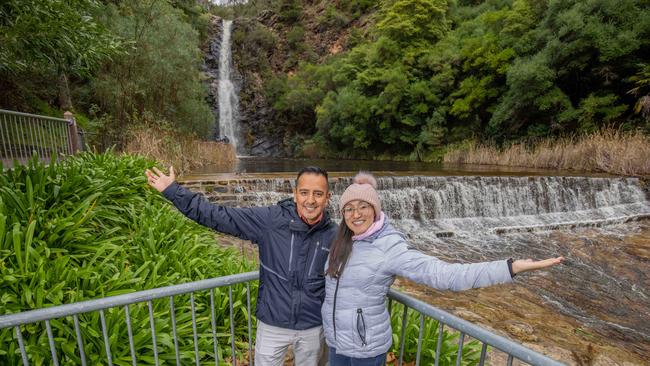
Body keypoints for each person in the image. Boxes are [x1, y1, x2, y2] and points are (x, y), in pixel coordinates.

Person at [322, 172, 564, 365]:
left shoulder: (389, 247)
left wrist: (510, 267)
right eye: (349, 208)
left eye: (363, 206)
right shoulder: (342, 241)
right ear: (342, 214)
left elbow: (445, 275)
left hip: (366, 349)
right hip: (337, 344)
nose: (356, 214)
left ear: (375, 209)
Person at [145, 166, 337, 366]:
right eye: (304, 192)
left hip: (313, 327)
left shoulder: (335, 234)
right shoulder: (270, 221)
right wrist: (172, 190)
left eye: (318, 194)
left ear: (327, 197)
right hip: (272, 323)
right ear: (295, 194)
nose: (311, 200)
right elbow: (217, 215)